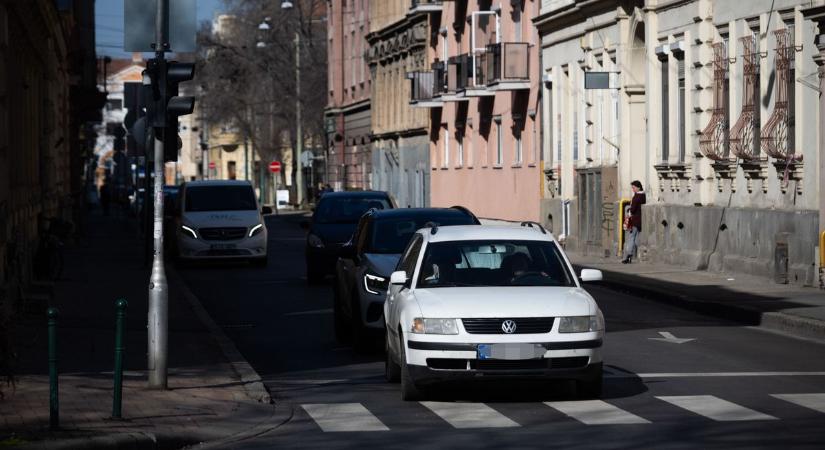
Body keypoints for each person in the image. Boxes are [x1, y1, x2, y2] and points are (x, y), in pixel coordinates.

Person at [622, 180, 646, 264]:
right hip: (640, 219)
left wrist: (629, 210)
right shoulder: (643, 195)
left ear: (638, 187)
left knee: (631, 237)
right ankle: (638, 254)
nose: (633, 189)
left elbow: (633, 209)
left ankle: (629, 256)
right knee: (636, 238)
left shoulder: (637, 197)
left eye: (634, 187)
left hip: (635, 220)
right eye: (632, 188)